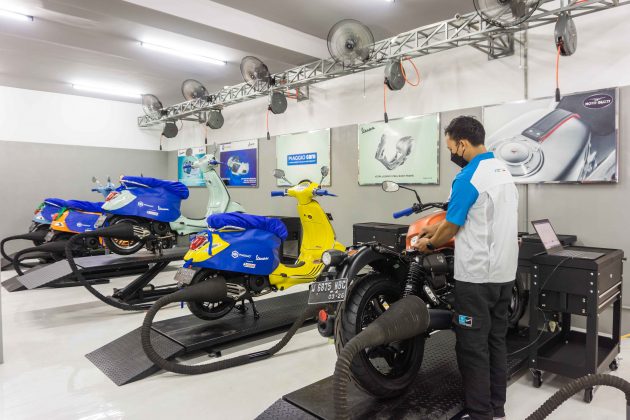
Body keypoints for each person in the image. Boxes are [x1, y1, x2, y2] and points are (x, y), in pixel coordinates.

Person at [413, 116, 519, 420]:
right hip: (504, 274)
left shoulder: (468, 177)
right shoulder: (502, 171)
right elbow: (469, 218)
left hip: (476, 278)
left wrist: (429, 244)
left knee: (472, 347)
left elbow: (452, 227)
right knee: (495, 341)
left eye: (451, 148)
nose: (452, 154)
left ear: (462, 144)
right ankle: (496, 407)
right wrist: (433, 230)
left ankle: (479, 413)